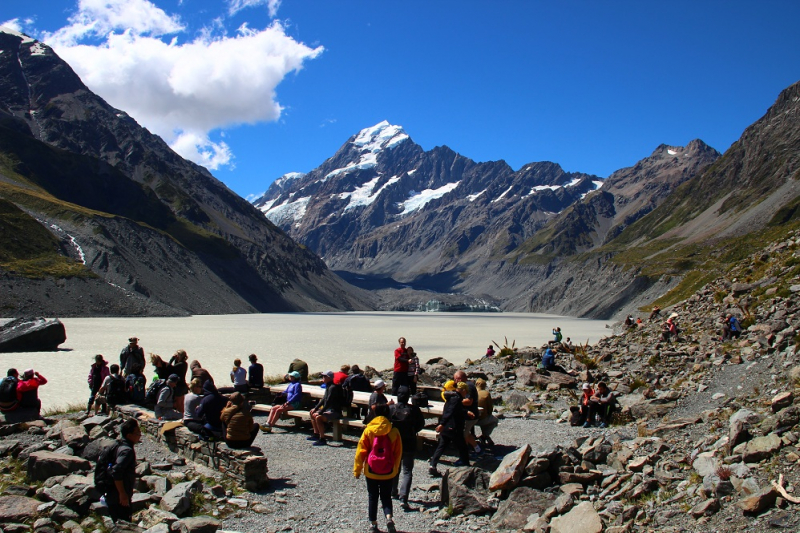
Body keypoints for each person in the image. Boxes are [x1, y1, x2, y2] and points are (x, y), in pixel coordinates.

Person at [353, 403, 402, 533]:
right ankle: (389, 517)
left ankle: (373, 524)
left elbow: (361, 451)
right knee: (386, 496)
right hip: (388, 470)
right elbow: (398, 453)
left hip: (371, 470)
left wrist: (357, 470)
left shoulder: (368, 430)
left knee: (372, 496)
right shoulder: (394, 431)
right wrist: (395, 469)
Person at [389, 386, 424, 510]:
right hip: (410, 442)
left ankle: (393, 491)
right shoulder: (414, 410)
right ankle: (404, 497)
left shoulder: (391, 408)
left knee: (395, 467)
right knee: (407, 470)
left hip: (395, 442)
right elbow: (421, 424)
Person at [99, 418, 141, 522]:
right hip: (118, 496)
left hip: (111, 492)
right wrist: (122, 494)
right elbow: (117, 471)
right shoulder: (127, 451)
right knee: (123, 523)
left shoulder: (118, 444)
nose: (140, 435)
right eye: (137, 433)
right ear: (129, 435)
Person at [429, 381, 469, 476]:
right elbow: (450, 411)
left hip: (448, 427)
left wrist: (465, 413)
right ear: (462, 390)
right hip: (453, 427)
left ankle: (432, 465)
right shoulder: (456, 398)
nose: (466, 394)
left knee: (442, 446)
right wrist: (442, 424)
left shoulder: (451, 398)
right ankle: (467, 466)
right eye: (466, 391)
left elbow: (456, 410)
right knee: (462, 446)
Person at [308, 370, 344, 446]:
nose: (323, 378)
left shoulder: (333, 388)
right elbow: (324, 399)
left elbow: (328, 402)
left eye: (324, 376)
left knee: (318, 417)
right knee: (312, 412)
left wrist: (320, 412)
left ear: (329, 378)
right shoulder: (328, 386)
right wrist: (316, 408)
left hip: (335, 412)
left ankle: (322, 439)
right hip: (328, 410)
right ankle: (316, 434)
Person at [454, 370, 481, 456]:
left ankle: (466, 452)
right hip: (466, 415)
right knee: (465, 433)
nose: (457, 381)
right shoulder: (460, 386)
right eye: (455, 379)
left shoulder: (468, 386)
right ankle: (475, 449)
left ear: (465, 378)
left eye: (459, 379)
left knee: (463, 433)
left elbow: (469, 401)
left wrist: (456, 401)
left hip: (471, 415)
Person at [474, 378, 498, 449]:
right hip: (481, 419)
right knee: (494, 420)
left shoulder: (471, 392)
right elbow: (490, 408)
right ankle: (484, 436)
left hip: (470, 418)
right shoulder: (486, 394)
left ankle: (481, 436)